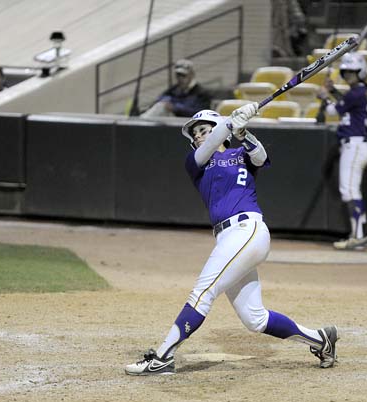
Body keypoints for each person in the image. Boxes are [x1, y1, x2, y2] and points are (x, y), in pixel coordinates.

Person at [125, 105, 339, 375]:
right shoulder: (196, 162)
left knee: (203, 293)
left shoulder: (241, 153)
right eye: (196, 133)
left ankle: (162, 357)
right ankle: (321, 339)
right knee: (255, 319)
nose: (199, 136)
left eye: (204, 130)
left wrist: (243, 130)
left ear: (219, 131)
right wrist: (229, 122)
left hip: (246, 229)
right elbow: (212, 143)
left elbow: (260, 157)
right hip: (228, 238)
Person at [316, 52, 367, 250]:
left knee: (349, 190)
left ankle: (357, 236)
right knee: (351, 190)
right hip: (355, 144)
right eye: (346, 71)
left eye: (352, 71)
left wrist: (325, 97)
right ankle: (359, 235)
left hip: (355, 145)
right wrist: (332, 92)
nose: (348, 74)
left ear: (360, 72)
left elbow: (334, 112)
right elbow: (346, 105)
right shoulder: (356, 92)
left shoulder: (356, 92)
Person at [140, 59, 212, 118]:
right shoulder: (174, 90)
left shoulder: (201, 93)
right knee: (160, 106)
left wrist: (175, 108)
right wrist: (167, 104)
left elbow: (202, 113)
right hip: (172, 121)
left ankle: (140, 123)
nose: (180, 78)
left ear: (192, 75)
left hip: (188, 123)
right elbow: (160, 99)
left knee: (161, 108)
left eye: (183, 75)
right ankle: (140, 122)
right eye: (178, 75)